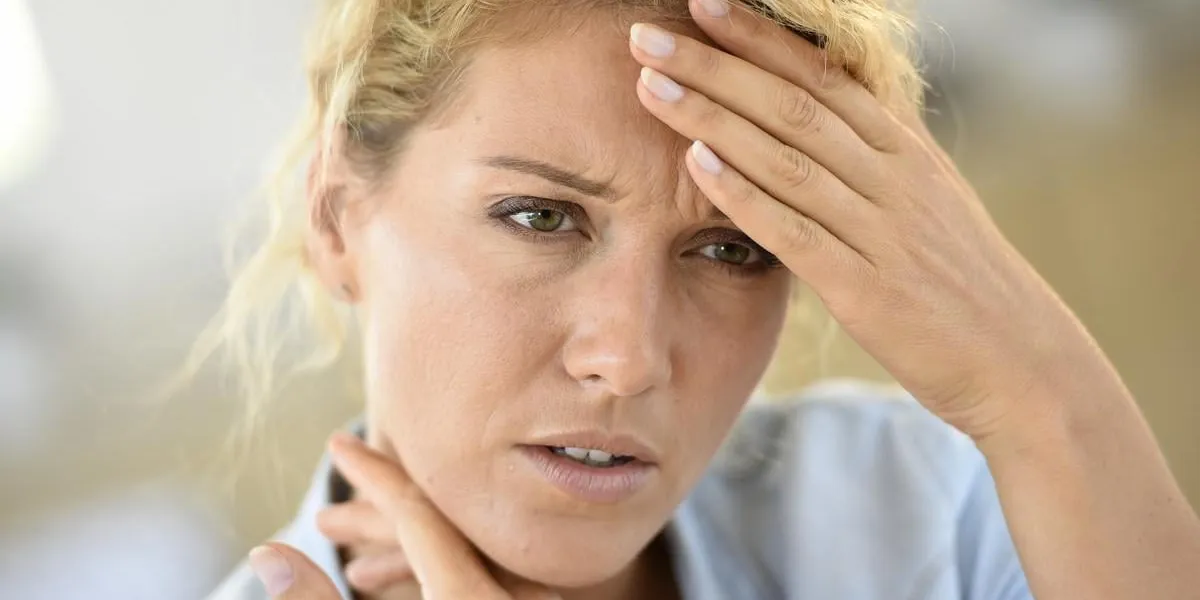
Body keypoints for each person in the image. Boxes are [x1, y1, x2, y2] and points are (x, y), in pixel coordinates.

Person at [199, 0, 1200, 598]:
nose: (629, 360)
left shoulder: (914, 505)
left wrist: (1031, 384)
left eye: (730, 247)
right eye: (541, 218)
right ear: (336, 217)